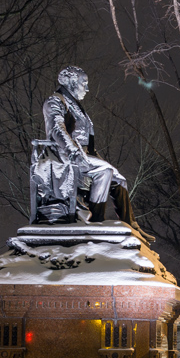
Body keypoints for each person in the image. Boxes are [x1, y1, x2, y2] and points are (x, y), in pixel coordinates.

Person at [33, 66, 153, 240]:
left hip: (84, 157)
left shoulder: (77, 107)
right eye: (84, 84)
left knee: (120, 180)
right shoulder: (55, 101)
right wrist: (73, 150)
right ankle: (96, 220)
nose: (87, 89)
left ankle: (131, 226)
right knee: (104, 172)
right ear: (72, 83)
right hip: (64, 157)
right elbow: (56, 129)